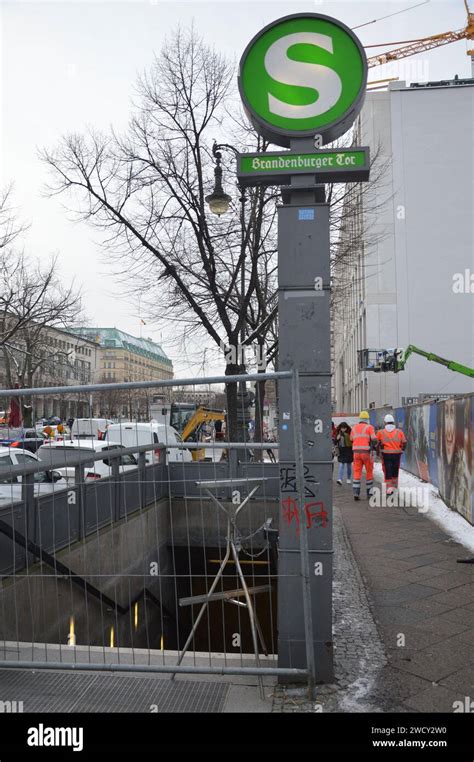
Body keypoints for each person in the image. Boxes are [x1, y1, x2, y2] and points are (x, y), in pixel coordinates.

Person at [376, 414, 407, 495]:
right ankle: (395, 486)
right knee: (395, 469)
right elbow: (404, 442)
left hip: (386, 454)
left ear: (385, 422)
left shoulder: (380, 432)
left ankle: (389, 488)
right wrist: (402, 449)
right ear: (393, 422)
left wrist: (378, 451)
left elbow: (376, 442)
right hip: (397, 453)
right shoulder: (399, 432)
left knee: (387, 470)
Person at [350, 411, 377, 501]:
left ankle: (356, 493)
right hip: (366, 453)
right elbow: (374, 438)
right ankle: (369, 493)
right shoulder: (370, 427)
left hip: (356, 453)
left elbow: (351, 439)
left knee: (357, 472)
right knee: (369, 471)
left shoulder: (354, 428)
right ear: (367, 419)